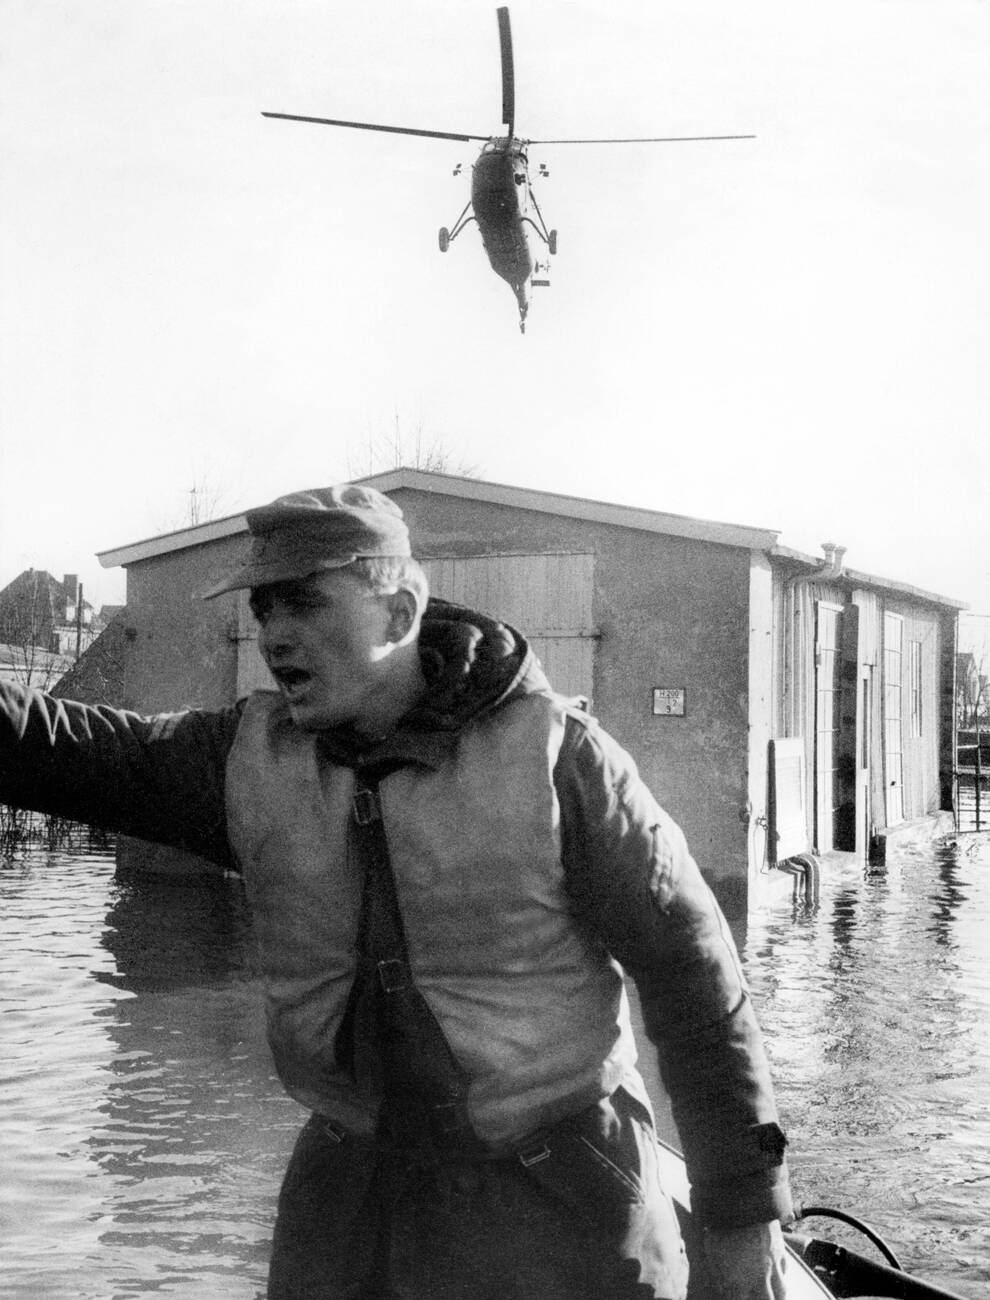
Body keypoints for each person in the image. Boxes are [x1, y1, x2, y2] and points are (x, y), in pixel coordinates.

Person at [0, 483, 792, 1300]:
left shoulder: (560, 758)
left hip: (557, 1204)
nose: (274, 635)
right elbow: (54, 746)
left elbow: (696, 979)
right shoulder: (241, 760)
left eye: (305, 604)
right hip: (346, 1200)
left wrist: (742, 1213)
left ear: (401, 607)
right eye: (265, 610)